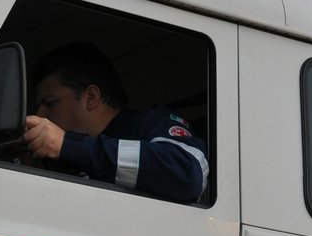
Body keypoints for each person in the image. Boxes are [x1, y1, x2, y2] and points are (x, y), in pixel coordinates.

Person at [22, 42, 209, 203]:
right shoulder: (61, 160)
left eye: (50, 103)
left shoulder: (149, 124)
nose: (40, 114)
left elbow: (188, 174)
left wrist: (67, 144)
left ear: (91, 98)